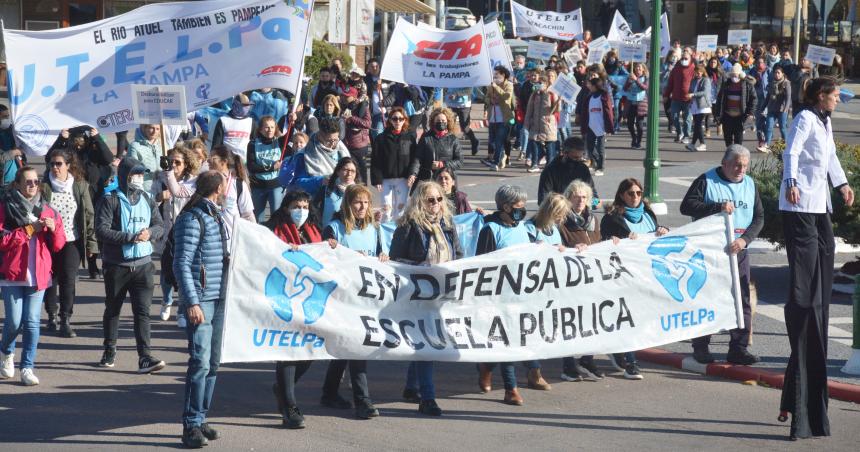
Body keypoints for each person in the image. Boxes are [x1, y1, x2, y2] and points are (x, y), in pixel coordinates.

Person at [778, 78, 854, 441]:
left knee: (828, 249)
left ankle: (818, 292)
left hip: (819, 203)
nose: (838, 98)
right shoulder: (805, 118)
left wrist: (841, 184)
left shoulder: (825, 121)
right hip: (799, 202)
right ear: (819, 96)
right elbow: (791, 152)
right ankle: (805, 294)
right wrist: (791, 179)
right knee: (806, 284)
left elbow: (831, 158)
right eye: (834, 94)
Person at [680, 145, 764, 365]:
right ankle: (701, 347)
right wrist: (716, 207)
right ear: (724, 163)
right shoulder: (706, 180)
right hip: (710, 251)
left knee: (742, 299)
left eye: (744, 166)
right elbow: (686, 206)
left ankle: (739, 348)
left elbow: (759, 218)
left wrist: (745, 240)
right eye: (736, 165)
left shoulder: (749, 184)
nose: (741, 170)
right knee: (708, 298)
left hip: (739, 250)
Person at [390, 181, 464, 417]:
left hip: (441, 294)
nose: (436, 204)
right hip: (418, 294)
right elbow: (396, 260)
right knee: (428, 344)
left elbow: (458, 254)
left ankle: (412, 387)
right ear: (420, 202)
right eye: (431, 200)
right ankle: (428, 397)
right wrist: (422, 269)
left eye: (439, 199)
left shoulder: (448, 225)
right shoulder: (408, 226)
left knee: (426, 343)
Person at [174, 171, 230, 448]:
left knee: (213, 363)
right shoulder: (193, 217)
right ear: (218, 188)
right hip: (202, 301)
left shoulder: (216, 215)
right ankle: (190, 425)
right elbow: (181, 262)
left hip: (219, 298)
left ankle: (201, 416)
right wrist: (192, 301)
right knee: (200, 363)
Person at [322, 184, 387, 419]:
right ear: (348, 204)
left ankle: (329, 392)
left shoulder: (374, 229)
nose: (362, 207)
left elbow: (382, 256)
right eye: (357, 202)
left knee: (347, 346)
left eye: (366, 202)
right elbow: (326, 264)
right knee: (357, 347)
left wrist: (383, 257)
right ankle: (363, 401)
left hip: (365, 298)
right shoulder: (335, 228)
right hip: (342, 298)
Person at [95, 157, 165, 372]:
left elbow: (159, 225)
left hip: (143, 267)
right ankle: (109, 349)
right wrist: (130, 237)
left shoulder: (146, 198)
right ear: (125, 176)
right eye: (135, 174)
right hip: (117, 266)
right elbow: (101, 230)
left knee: (142, 313)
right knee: (113, 310)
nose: (139, 178)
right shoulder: (110, 200)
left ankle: (145, 357)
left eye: (141, 174)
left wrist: (150, 233)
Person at [0, 167, 66, 386]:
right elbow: (2, 241)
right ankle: (7, 352)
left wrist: (54, 228)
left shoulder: (47, 210)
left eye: (36, 181)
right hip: (12, 274)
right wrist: (29, 230)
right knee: (14, 322)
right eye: (27, 182)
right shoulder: (5, 208)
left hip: (39, 275)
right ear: (17, 184)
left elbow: (58, 245)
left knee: (31, 322)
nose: (32, 185)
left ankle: (27, 366)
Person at [600, 178, 670, 380]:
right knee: (629, 318)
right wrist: (618, 242)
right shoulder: (612, 219)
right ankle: (631, 362)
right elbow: (605, 247)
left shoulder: (648, 215)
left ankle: (616, 348)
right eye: (631, 193)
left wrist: (662, 230)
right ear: (622, 195)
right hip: (622, 278)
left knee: (638, 318)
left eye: (639, 193)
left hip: (646, 276)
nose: (635, 197)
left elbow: (655, 238)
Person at [265, 189, 323, 429]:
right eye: (296, 206)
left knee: (308, 353)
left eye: (305, 206)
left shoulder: (314, 231)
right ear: (287, 207)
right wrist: (284, 249)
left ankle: (282, 389)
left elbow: (322, 261)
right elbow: (266, 255)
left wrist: (329, 248)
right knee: (288, 351)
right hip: (284, 298)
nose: (301, 211)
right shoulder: (274, 231)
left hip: (309, 299)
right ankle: (289, 407)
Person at [475, 185, 532, 405]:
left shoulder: (522, 228)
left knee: (510, 341)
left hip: (521, 294)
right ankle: (511, 388)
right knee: (506, 342)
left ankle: (486, 367)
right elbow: (483, 265)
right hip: (499, 297)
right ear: (506, 206)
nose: (522, 209)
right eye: (519, 206)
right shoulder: (490, 230)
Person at [557, 180, 609, 381]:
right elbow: (555, 249)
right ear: (568, 199)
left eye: (584, 197)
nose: (580, 201)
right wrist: (572, 250)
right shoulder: (561, 221)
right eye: (576, 197)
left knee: (594, 320)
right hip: (570, 281)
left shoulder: (594, 220)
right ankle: (568, 364)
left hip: (592, 279)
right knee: (569, 323)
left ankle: (588, 359)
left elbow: (599, 243)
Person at [41, 149, 96, 338]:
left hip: (72, 240)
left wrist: (91, 245)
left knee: (68, 279)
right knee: (49, 279)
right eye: (52, 164)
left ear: (68, 165)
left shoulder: (80, 186)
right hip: (47, 241)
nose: (55, 167)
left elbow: (89, 215)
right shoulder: (44, 186)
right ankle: (51, 315)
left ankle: (65, 319)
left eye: (59, 164)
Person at [154, 145, 200, 325]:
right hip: (167, 232)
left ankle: (182, 309)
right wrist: (159, 196)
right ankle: (166, 300)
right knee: (166, 271)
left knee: (183, 271)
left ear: (186, 164)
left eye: (178, 162)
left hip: (185, 233)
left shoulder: (193, 182)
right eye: (171, 161)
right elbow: (150, 199)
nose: (173, 165)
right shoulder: (161, 178)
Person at [370, 107, 416, 222]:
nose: (398, 122)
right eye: (395, 119)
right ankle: (387, 236)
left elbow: (414, 158)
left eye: (401, 119)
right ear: (390, 120)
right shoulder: (381, 138)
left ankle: (399, 236)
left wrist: (412, 174)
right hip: (386, 180)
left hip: (403, 180)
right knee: (386, 210)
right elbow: (376, 159)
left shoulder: (410, 137)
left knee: (400, 210)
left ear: (405, 120)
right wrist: (377, 179)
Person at [207, 146, 255, 245]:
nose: (208, 161)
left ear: (223, 162)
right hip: (211, 241)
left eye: (213, 158)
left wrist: (253, 239)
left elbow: (247, 214)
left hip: (233, 242)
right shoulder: (206, 183)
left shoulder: (238, 184)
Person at [291, 117, 351, 196]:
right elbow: (299, 182)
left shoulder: (342, 150)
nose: (333, 144)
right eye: (329, 140)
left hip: (342, 200)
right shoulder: (304, 155)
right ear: (319, 136)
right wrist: (321, 181)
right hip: (317, 201)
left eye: (336, 139)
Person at [246, 116, 287, 222]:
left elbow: (290, 132)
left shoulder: (279, 142)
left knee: (277, 217)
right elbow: (252, 167)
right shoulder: (253, 144)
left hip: (276, 185)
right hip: (258, 186)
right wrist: (272, 167)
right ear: (260, 129)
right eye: (267, 127)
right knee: (258, 219)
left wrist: (291, 117)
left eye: (272, 127)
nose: (270, 130)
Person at [537, 136, 597, 205]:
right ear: (564, 153)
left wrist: (595, 203)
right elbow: (543, 200)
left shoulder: (583, 169)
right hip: (559, 212)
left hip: (581, 213)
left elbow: (593, 194)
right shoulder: (550, 171)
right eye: (575, 158)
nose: (578, 161)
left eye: (580, 158)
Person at [410, 108, 462, 184]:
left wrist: (442, 164)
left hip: (446, 181)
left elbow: (459, 161)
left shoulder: (453, 139)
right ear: (433, 122)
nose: (441, 123)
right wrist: (413, 173)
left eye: (443, 121)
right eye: (438, 121)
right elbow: (418, 158)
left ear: (448, 122)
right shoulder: (426, 137)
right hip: (428, 179)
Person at [576, 74, 614, 176]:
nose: (589, 86)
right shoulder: (589, 96)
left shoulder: (604, 96)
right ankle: (597, 163)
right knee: (590, 147)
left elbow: (608, 112)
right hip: (590, 125)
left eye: (591, 85)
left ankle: (601, 167)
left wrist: (609, 126)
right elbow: (585, 111)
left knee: (600, 148)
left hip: (600, 125)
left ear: (595, 86)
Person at [523, 70, 559, 173]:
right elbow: (529, 109)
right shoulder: (534, 95)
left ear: (546, 84)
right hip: (535, 123)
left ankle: (550, 165)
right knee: (533, 141)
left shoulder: (552, 94)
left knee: (549, 144)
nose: (539, 85)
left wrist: (558, 102)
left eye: (542, 83)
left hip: (547, 123)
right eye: (538, 83)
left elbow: (556, 110)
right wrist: (527, 122)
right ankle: (534, 164)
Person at [714, 64, 757, 147]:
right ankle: (730, 154)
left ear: (740, 74)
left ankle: (737, 155)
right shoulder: (726, 84)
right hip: (727, 115)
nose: (734, 76)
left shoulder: (746, 85)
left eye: (736, 74)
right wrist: (717, 115)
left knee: (738, 138)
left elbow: (754, 99)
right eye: (732, 74)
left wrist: (750, 112)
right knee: (727, 137)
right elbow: (720, 99)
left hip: (740, 115)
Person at [483, 66, 515, 168]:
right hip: (493, 117)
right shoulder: (490, 86)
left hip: (504, 118)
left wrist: (496, 87)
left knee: (499, 141)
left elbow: (507, 96)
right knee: (492, 141)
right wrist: (490, 100)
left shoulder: (509, 85)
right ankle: (502, 156)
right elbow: (486, 98)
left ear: (503, 75)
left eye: (497, 74)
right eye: (494, 74)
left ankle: (496, 162)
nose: (495, 76)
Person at [314, 157, 358, 229]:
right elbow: (314, 209)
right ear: (338, 171)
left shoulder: (359, 192)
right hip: (328, 233)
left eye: (353, 171)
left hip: (351, 232)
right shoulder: (326, 190)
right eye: (345, 170)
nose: (349, 174)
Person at [341, 83, 372, 183]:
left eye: (347, 96)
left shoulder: (363, 107)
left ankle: (364, 186)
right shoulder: (343, 107)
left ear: (354, 97)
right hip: (346, 143)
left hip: (360, 145)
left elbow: (367, 124)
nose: (344, 98)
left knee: (361, 167)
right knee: (350, 167)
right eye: (344, 96)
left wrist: (351, 118)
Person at [663, 50, 696, 143]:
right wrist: (666, 95)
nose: (684, 60)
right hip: (676, 98)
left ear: (690, 59)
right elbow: (670, 83)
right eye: (682, 58)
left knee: (687, 119)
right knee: (674, 116)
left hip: (688, 99)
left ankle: (686, 136)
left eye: (686, 59)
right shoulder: (676, 68)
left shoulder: (694, 69)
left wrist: (694, 95)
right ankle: (679, 132)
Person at [211, 94, 256, 161]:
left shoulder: (251, 121)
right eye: (244, 105)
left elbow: (255, 143)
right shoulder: (223, 120)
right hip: (227, 162)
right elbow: (216, 144)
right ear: (236, 105)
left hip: (245, 162)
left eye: (248, 105)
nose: (247, 108)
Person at [126, 124, 163, 192]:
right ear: (144, 128)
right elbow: (133, 169)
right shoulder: (135, 146)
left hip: (162, 187)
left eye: (157, 129)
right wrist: (150, 172)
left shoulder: (163, 145)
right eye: (152, 128)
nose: (154, 131)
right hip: (144, 187)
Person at [446, 86, 480, 155]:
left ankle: (474, 141)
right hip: (451, 104)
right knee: (449, 127)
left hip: (464, 105)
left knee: (464, 128)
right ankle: (450, 149)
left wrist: (456, 94)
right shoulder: (450, 75)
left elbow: (469, 90)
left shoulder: (466, 76)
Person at [687, 63, 713, 152]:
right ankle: (692, 144)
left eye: (699, 72)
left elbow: (704, 92)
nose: (698, 74)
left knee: (698, 124)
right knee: (696, 125)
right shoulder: (693, 80)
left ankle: (703, 144)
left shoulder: (706, 80)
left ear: (702, 72)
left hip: (703, 105)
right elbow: (690, 90)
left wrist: (693, 94)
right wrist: (689, 94)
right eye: (696, 72)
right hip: (694, 105)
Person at [764, 66, 791, 149]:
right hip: (772, 108)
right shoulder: (772, 83)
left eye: (778, 73)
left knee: (782, 128)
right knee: (769, 126)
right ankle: (766, 145)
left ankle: (786, 144)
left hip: (782, 109)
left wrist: (786, 108)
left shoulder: (786, 83)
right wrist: (763, 107)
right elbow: (768, 97)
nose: (776, 74)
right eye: (775, 72)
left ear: (782, 74)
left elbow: (788, 97)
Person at [748, 57, 771, 151]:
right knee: (759, 121)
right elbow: (748, 81)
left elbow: (772, 82)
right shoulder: (752, 71)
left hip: (767, 99)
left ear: (765, 64)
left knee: (767, 121)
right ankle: (761, 142)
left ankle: (767, 141)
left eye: (761, 62)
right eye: (757, 62)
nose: (759, 64)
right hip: (756, 99)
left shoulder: (769, 71)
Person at [624, 63, 648, 149]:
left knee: (639, 125)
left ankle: (639, 141)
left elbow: (644, 87)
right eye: (636, 68)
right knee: (630, 124)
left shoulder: (645, 78)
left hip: (641, 103)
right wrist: (629, 82)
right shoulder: (630, 77)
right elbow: (625, 88)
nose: (637, 70)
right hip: (631, 103)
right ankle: (634, 138)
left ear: (643, 70)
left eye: (639, 68)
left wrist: (636, 80)